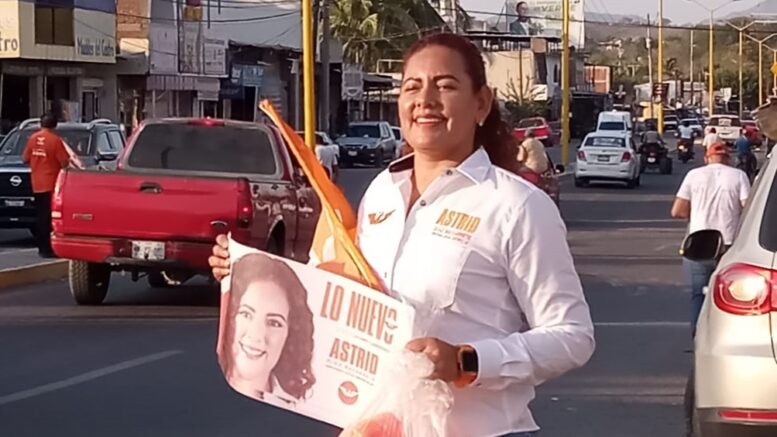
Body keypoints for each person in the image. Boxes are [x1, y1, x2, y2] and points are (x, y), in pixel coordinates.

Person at [211, 33, 594, 437]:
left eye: (445, 86)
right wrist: (247, 271)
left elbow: (573, 336)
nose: (425, 100)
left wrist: (466, 361)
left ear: (481, 103)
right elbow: (333, 294)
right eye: (412, 87)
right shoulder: (381, 191)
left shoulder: (517, 205)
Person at [671, 143, 751, 336]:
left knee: (699, 294)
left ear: (706, 158)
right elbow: (747, 209)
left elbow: (677, 211)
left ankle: (698, 336)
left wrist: (697, 214)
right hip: (728, 245)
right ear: (728, 158)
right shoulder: (739, 176)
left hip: (698, 243)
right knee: (730, 296)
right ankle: (725, 336)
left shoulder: (693, 175)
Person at [220, 252, 316, 406]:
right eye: (246, 314)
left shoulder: (300, 408)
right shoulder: (200, 381)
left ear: (290, 336)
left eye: (274, 323)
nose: (256, 335)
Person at [22, 113, 71, 258]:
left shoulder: (32, 138)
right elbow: (64, 162)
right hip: (51, 184)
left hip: (37, 183)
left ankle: (41, 247)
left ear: (41, 124)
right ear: (55, 125)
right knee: (49, 218)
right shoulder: (55, 140)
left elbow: (25, 158)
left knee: (40, 216)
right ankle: (47, 249)